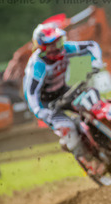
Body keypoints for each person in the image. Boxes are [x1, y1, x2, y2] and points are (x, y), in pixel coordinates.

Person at [23, 23, 105, 175]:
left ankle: (105, 136)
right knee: (68, 127)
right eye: (52, 45)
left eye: (58, 42)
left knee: (91, 102)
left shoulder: (66, 48)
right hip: (46, 104)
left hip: (62, 91)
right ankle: (88, 162)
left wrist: (96, 61)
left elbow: (91, 45)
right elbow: (31, 93)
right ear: (42, 47)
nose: (57, 47)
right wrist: (39, 111)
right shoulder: (38, 65)